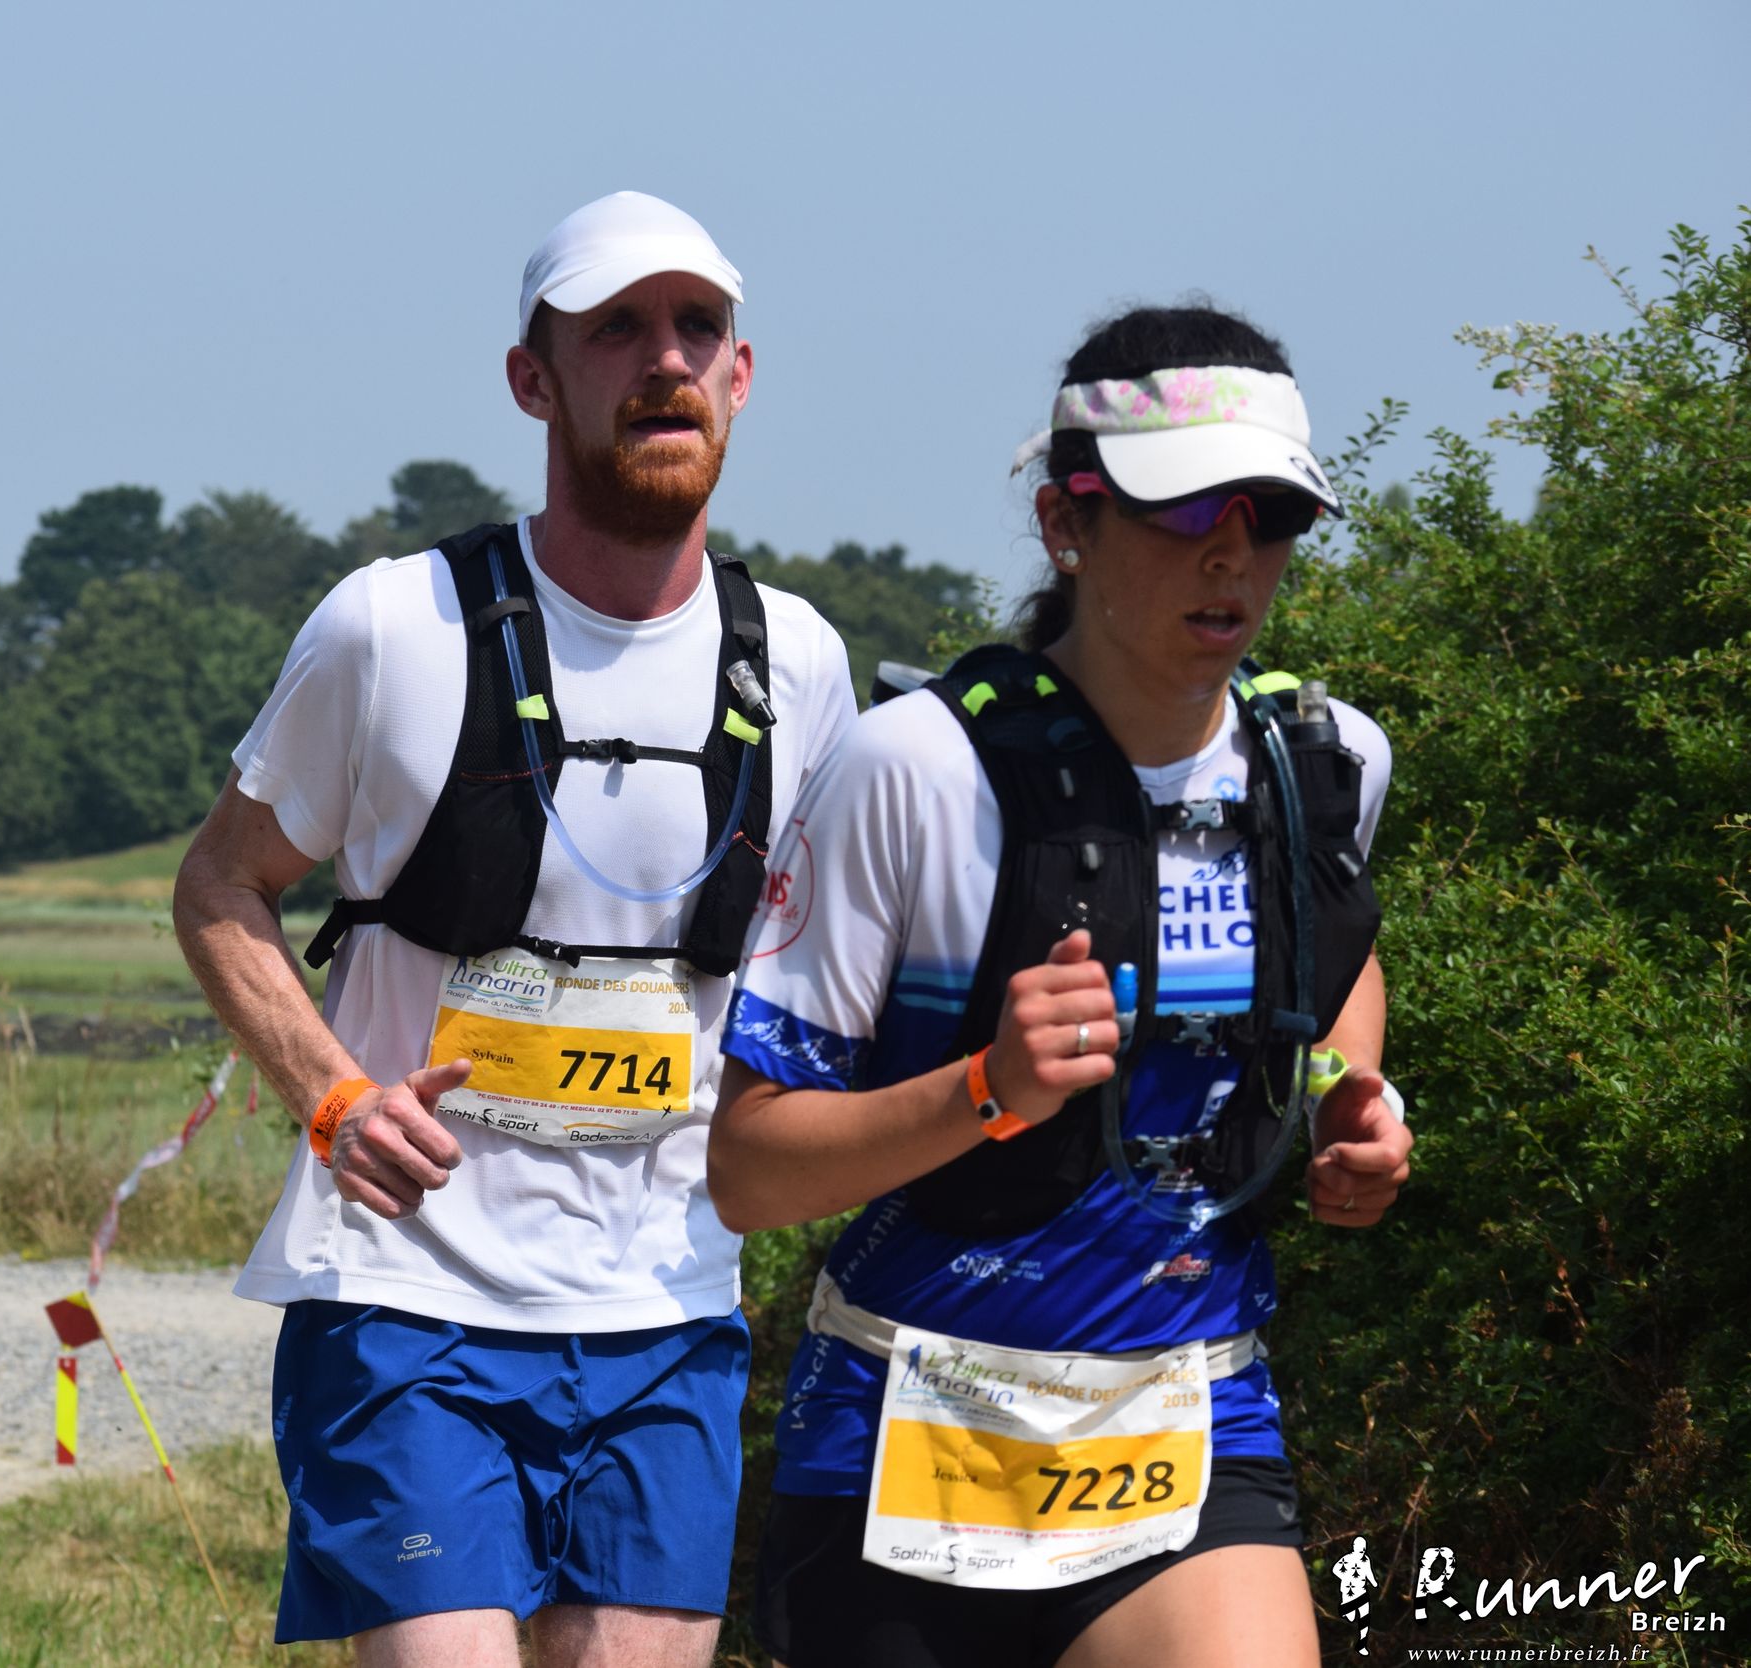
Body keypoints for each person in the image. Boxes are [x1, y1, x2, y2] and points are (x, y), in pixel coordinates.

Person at [173, 190, 857, 1668]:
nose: (664, 361)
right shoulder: (392, 628)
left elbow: (822, 979)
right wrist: (332, 1098)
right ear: (531, 380)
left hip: (668, 1311)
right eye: (616, 329)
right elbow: (221, 885)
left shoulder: (799, 664)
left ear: (741, 377)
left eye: (697, 329)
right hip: (407, 1299)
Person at [708, 305, 1416, 1668]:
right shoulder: (914, 772)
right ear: (1064, 522)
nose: (1231, 553)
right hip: (912, 1432)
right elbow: (747, 1171)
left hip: (1189, 1420)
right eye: (1183, 507)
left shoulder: (1323, 765)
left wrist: (1346, 1096)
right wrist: (988, 1088)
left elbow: (1335, 962)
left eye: (1270, 513)